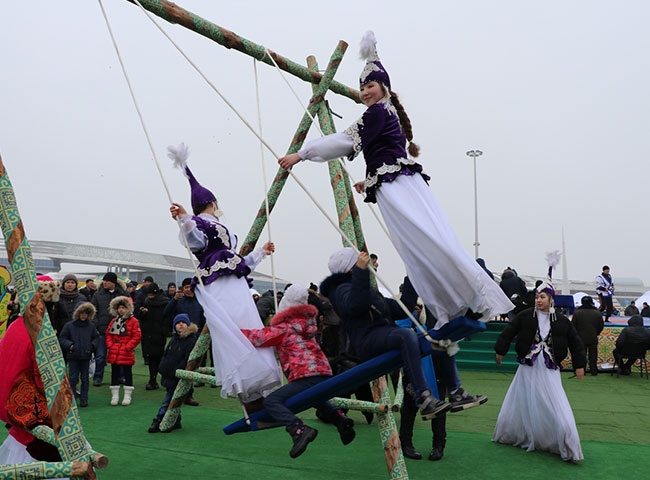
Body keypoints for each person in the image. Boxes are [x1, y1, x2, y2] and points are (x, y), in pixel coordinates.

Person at [278, 31, 513, 329]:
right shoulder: (386, 113)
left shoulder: (377, 113)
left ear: (384, 88)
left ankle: (463, 302)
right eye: (362, 87)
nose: (364, 92)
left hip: (397, 187)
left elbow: (344, 142)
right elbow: (384, 153)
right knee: (423, 245)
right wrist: (368, 179)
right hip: (399, 184)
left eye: (370, 86)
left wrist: (302, 154)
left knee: (421, 245)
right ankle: (458, 304)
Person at [168, 143, 281, 403]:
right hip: (219, 284)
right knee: (233, 328)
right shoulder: (200, 222)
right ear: (212, 202)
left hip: (235, 283)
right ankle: (248, 384)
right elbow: (194, 242)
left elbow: (240, 263)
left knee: (248, 324)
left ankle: (259, 383)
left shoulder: (222, 227)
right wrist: (186, 219)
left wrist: (261, 252)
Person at [320, 248, 451, 419]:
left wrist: (412, 276)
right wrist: (361, 272)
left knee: (436, 339)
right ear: (352, 268)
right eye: (362, 264)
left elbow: (402, 309)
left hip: (381, 336)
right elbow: (355, 306)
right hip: (367, 341)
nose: (369, 266)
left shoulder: (368, 291)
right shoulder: (340, 289)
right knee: (406, 335)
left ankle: (455, 390)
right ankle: (423, 394)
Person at [241, 284, 356, 458]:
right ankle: (339, 418)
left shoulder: (284, 329)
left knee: (272, 401)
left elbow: (257, 338)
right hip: (323, 372)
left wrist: (231, 332)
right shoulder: (308, 326)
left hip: (305, 374)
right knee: (314, 397)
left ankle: (298, 429)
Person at [493, 251, 586, 463]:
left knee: (554, 402)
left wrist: (580, 365)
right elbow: (508, 332)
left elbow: (576, 343)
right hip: (527, 367)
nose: (538, 299)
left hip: (550, 368)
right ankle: (517, 434)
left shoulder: (562, 321)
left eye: (542, 297)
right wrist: (501, 349)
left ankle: (564, 440)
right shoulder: (526, 316)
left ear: (551, 299)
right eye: (536, 296)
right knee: (523, 402)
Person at [148, 313, 199, 433]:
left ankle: (158, 419)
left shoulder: (191, 341)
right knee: (173, 398)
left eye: (183, 323)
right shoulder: (174, 339)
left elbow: (187, 359)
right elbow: (166, 355)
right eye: (178, 323)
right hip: (169, 374)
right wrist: (162, 367)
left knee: (168, 400)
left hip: (178, 375)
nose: (180, 325)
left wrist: (176, 371)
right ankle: (176, 420)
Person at [58, 302, 101, 407]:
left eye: (86, 313)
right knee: (72, 378)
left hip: (86, 356)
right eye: (81, 313)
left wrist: (92, 346)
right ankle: (71, 399)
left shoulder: (91, 326)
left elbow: (96, 337)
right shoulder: (69, 326)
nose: (83, 315)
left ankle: (84, 398)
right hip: (73, 356)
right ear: (77, 313)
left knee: (85, 378)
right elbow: (62, 338)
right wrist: (70, 346)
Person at [91, 271, 127, 386]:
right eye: (104, 280)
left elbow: (129, 310)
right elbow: (93, 310)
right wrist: (96, 324)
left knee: (118, 355)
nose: (104, 283)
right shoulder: (98, 295)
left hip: (118, 330)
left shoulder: (122, 295)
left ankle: (120, 376)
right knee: (100, 355)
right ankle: (98, 377)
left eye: (107, 281)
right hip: (102, 329)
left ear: (113, 282)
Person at [105, 296, 142, 406]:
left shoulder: (133, 321)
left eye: (123, 308)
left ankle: (127, 395)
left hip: (126, 351)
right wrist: (110, 345)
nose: (121, 310)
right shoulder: (114, 321)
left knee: (127, 373)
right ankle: (115, 396)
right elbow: (108, 334)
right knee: (114, 373)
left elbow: (137, 336)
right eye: (119, 308)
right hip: (115, 351)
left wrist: (128, 347)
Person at [138, 283, 171, 392]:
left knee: (160, 357)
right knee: (151, 358)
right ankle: (152, 380)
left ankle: (163, 378)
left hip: (159, 333)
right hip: (148, 333)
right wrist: (143, 313)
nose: (150, 296)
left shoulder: (165, 303)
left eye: (152, 294)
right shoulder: (147, 302)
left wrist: (165, 331)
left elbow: (167, 317)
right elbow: (142, 318)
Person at [571, 295, 604, 376]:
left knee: (581, 355)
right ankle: (593, 371)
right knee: (593, 356)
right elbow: (601, 326)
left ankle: (582, 371)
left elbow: (573, 326)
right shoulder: (597, 313)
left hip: (580, 338)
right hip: (593, 337)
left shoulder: (577, 313)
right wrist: (596, 333)